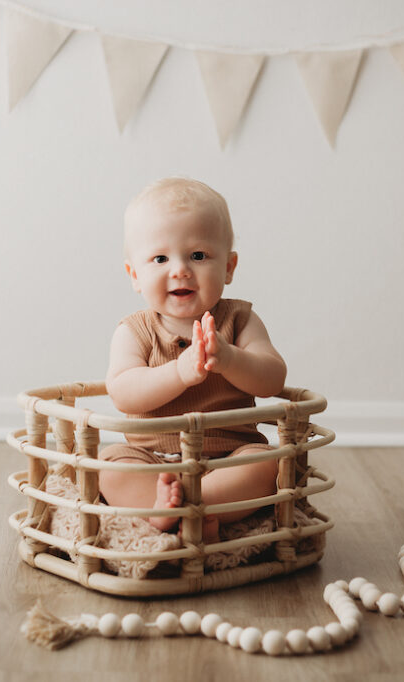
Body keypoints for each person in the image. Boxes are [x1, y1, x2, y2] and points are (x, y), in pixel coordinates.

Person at [99, 177, 287, 542]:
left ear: (229, 267)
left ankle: (199, 504)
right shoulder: (134, 330)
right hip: (151, 461)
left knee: (270, 465)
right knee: (110, 468)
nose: (180, 269)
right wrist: (179, 373)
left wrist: (230, 358)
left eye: (198, 255)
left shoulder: (239, 320)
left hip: (231, 457)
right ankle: (166, 507)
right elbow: (123, 392)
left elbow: (272, 378)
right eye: (160, 258)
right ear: (135, 275)